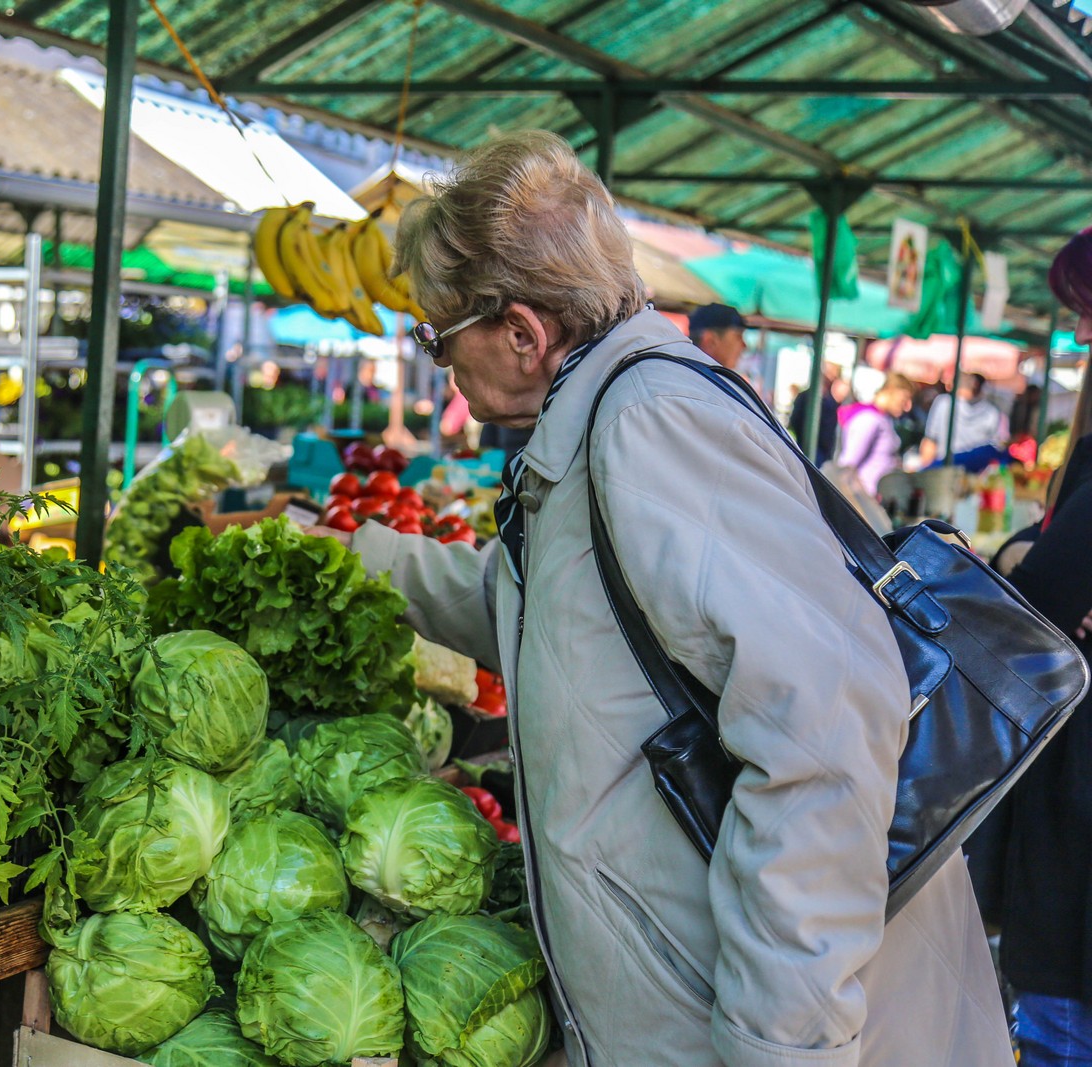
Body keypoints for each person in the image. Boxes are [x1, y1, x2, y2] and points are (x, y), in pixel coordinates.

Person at [312, 130, 1009, 1066]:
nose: (441, 363)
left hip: (778, 1030)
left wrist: (783, 1047)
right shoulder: (596, 419)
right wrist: (360, 560)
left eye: (440, 336)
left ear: (523, 333)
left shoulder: (652, 427)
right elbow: (548, 617)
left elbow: (822, 737)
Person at [987, 225, 1092, 1067]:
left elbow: (1037, 598)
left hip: (1078, 825)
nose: (1080, 336)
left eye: (1089, 313)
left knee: (1060, 1038)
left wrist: (1020, 554)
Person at [836, 374, 913, 498]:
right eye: (904, 398)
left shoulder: (883, 419)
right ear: (890, 390)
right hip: (863, 500)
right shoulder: (869, 419)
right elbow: (848, 464)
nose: (907, 406)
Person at [920, 371, 1008, 466]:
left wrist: (925, 470)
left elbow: (930, 443)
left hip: (946, 468)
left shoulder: (944, 403)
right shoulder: (992, 412)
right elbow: (996, 447)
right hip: (976, 472)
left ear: (951, 385)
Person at [787, 361, 843, 465]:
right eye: (831, 375)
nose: (833, 379)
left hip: (823, 453)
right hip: (805, 449)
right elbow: (794, 422)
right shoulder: (806, 397)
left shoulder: (831, 401)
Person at [687, 303, 746, 372]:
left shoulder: (686, 373)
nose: (744, 345)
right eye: (738, 337)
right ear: (710, 341)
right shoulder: (694, 378)